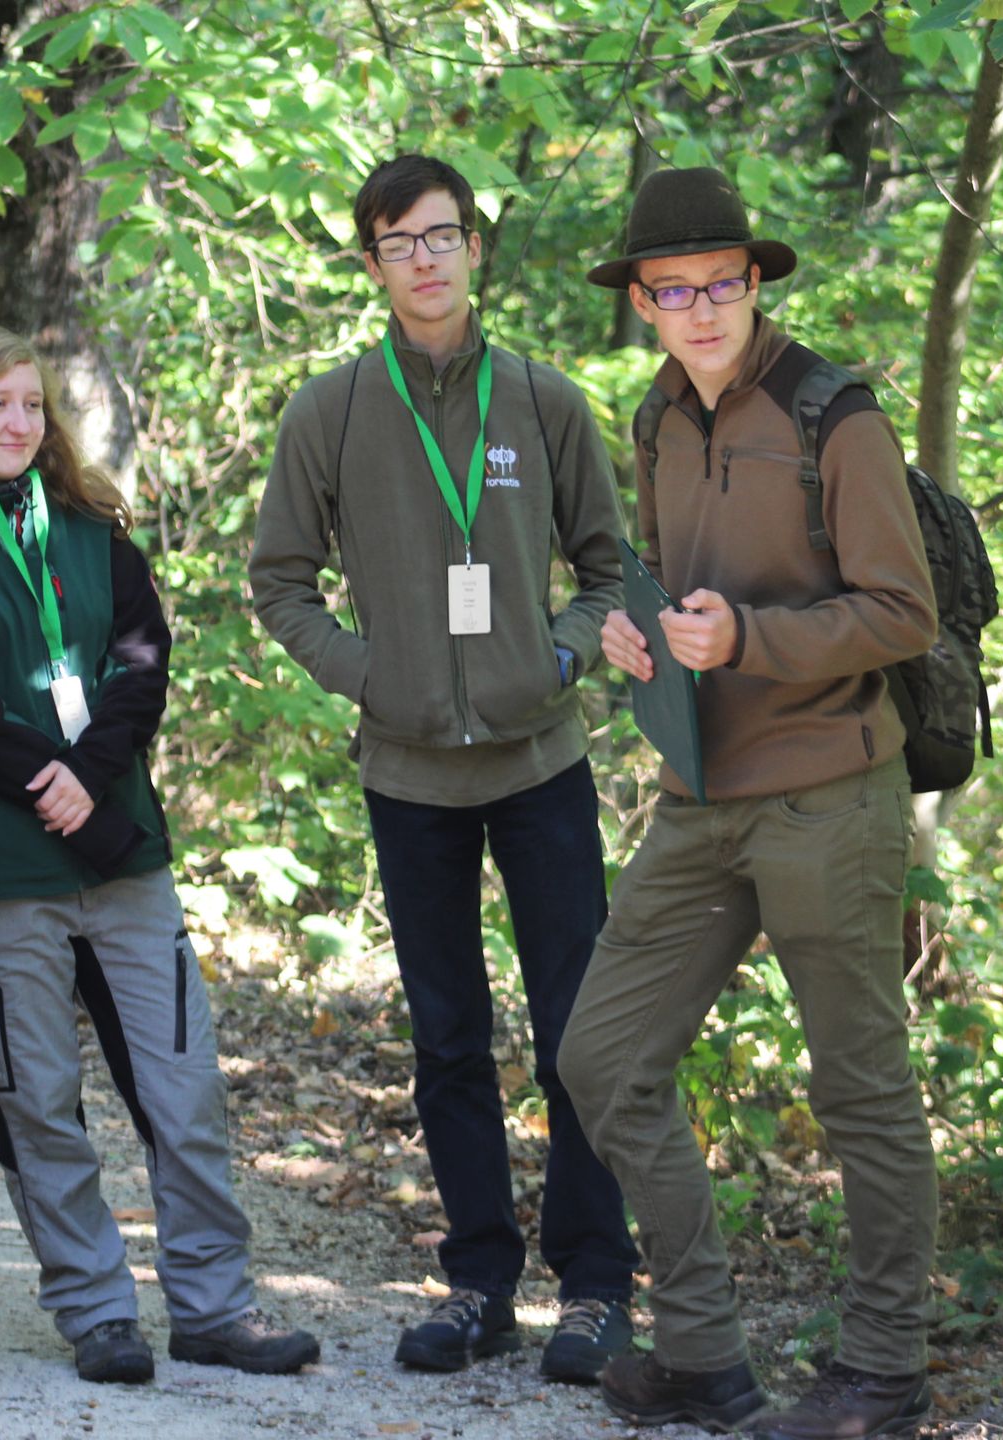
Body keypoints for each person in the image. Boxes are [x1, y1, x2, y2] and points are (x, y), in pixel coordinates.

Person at [557, 166, 941, 1439]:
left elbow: (904, 613)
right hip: (699, 792)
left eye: (721, 283)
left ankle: (880, 1372)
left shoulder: (837, 415)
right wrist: (635, 633)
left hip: (829, 794)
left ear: (755, 282)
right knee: (603, 1058)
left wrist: (750, 641)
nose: (701, 309)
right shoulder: (658, 418)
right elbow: (671, 582)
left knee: (860, 1091)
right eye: (672, 291)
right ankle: (703, 1355)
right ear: (642, 304)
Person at [250, 154, 639, 1382]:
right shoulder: (331, 411)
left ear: (476, 246)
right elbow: (279, 583)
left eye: (441, 235)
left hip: (541, 765)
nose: (423, 259)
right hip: (409, 776)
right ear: (371, 264)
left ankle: (595, 1286)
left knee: (579, 1032)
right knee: (449, 1035)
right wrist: (373, 676)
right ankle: (480, 1284)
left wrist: (558, 658)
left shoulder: (545, 400)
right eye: (397, 242)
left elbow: (610, 572)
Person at [0, 322, 320, 1386]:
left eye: (32, 404)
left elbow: (142, 662)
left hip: (124, 858)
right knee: (37, 1099)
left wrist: (90, 771)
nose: (18, 423)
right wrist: (52, 779)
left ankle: (214, 1307)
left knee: (185, 1089)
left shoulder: (93, 530)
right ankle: (96, 1313)